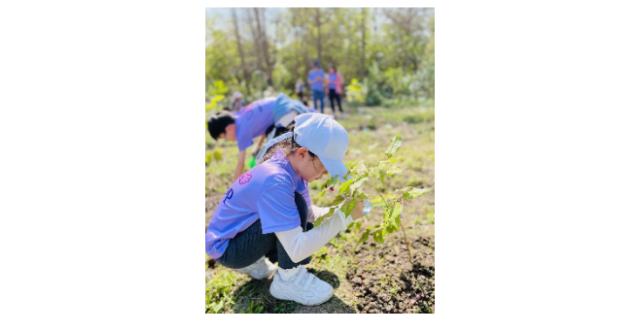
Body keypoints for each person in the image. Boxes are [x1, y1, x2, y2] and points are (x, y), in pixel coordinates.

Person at [205, 113, 367, 306]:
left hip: (237, 236)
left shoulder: (290, 169)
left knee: (296, 208)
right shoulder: (276, 180)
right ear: (302, 153)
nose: (324, 175)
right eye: (323, 167)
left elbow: (307, 214)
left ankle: (254, 262)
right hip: (230, 250)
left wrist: (341, 209)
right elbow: (297, 249)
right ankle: (289, 280)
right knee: (295, 206)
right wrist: (343, 218)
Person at [207, 94, 310, 180]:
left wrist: (233, 191)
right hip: (284, 105)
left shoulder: (240, 131)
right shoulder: (239, 116)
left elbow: (240, 164)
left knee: (265, 159)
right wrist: (259, 144)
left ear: (228, 129)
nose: (227, 140)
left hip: (284, 113)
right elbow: (264, 122)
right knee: (270, 156)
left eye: (224, 137)